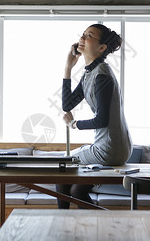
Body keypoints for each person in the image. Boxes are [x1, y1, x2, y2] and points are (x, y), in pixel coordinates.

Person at [56, 23, 132, 209]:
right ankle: (104, 228)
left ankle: (61, 226)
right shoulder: (90, 72)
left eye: (89, 36)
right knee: (77, 191)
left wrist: (74, 124)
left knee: (62, 165)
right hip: (110, 145)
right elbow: (67, 104)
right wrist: (68, 67)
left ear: (101, 47)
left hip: (110, 148)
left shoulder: (102, 75)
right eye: (82, 34)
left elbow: (102, 120)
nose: (82, 38)